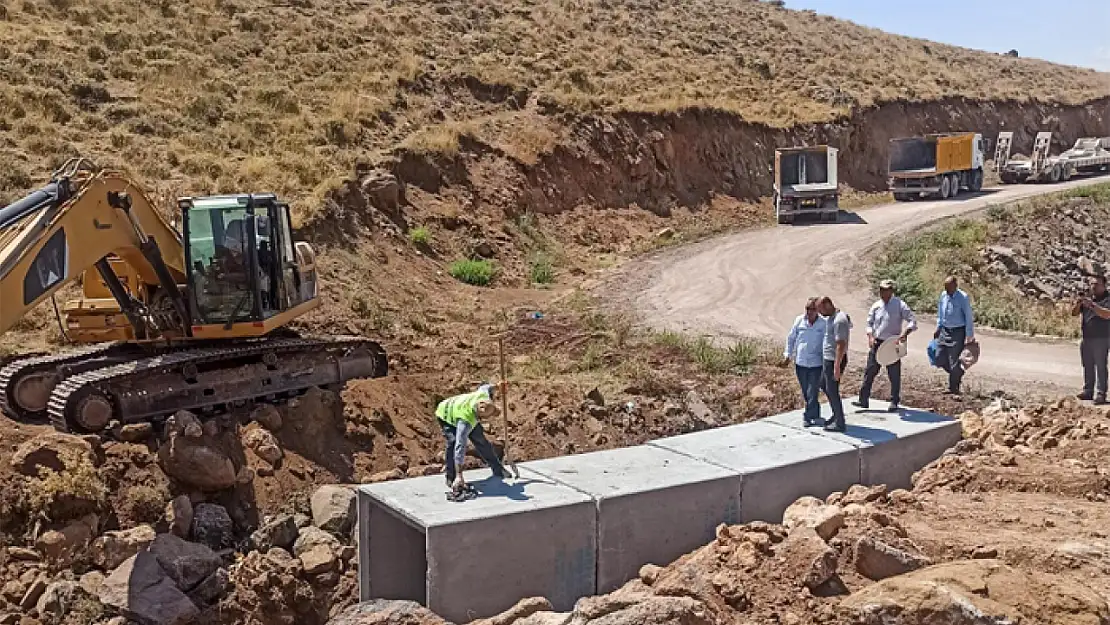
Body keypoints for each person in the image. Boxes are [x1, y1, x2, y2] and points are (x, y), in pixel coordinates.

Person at [435, 383, 509, 493]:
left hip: (460, 409)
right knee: (453, 442)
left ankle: (498, 469)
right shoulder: (465, 423)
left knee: (481, 441)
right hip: (445, 414)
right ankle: (452, 477)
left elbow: (486, 387)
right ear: (480, 417)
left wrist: (498, 386)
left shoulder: (483, 396)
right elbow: (460, 447)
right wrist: (460, 475)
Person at [856, 279, 917, 412]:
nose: (882, 293)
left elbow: (912, 321)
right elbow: (869, 323)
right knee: (870, 371)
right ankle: (863, 399)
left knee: (894, 374)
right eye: (881, 290)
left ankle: (894, 400)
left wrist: (905, 333)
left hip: (892, 343)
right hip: (878, 342)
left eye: (885, 290)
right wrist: (870, 337)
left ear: (891, 291)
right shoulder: (876, 306)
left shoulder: (900, 305)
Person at [784, 298, 828, 426]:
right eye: (807, 308)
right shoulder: (799, 320)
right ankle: (815, 414)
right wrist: (788, 354)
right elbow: (791, 338)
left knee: (812, 390)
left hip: (816, 363)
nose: (809, 312)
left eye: (812, 309)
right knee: (805, 390)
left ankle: (807, 417)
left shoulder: (823, 323)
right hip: (801, 362)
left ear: (817, 310)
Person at [934, 276, 976, 398]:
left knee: (953, 361)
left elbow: (968, 316)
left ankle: (954, 388)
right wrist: (938, 327)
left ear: (955, 286)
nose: (947, 290)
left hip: (957, 331)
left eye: (949, 287)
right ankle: (958, 372)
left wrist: (969, 335)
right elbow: (941, 313)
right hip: (945, 330)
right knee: (938, 357)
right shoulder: (943, 295)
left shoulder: (963, 297)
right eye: (945, 287)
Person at [1073, 275, 1110, 405]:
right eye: (1092, 284)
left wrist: (1092, 306)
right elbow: (1074, 313)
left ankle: (1101, 393)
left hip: (1102, 337)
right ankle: (1088, 390)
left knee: (1100, 366)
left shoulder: (1107, 298)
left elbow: (1107, 314)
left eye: (1097, 284)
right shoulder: (1088, 298)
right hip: (1087, 337)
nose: (1094, 286)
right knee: (1087, 365)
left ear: (1104, 285)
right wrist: (1079, 303)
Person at [818, 296, 851, 432]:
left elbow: (841, 344)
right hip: (828, 359)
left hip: (834, 360)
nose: (820, 313)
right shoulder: (832, 318)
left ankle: (840, 423)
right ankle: (836, 415)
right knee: (823, 385)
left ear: (827, 305)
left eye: (821, 310)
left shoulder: (839, 320)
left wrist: (837, 367)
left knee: (832, 390)